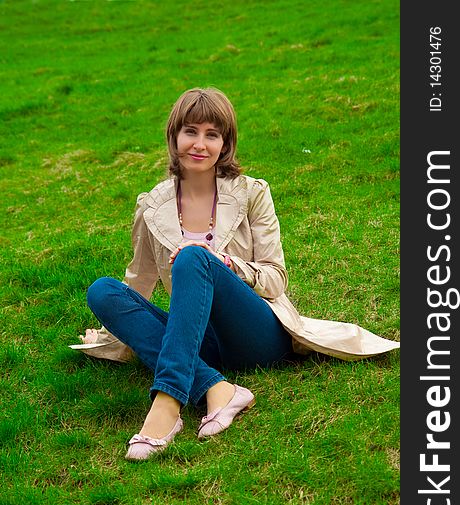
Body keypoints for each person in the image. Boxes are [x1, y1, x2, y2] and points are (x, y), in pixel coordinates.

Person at [72, 87, 399, 461]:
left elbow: (276, 279)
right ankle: (218, 389)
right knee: (102, 291)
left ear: (225, 144)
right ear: (173, 136)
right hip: (200, 339)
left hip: (257, 333)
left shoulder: (252, 193)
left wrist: (226, 263)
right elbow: (139, 287)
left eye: (212, 135)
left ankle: (166, 406)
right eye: (190, 131)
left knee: (194, 259)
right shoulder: (152, 206)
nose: (200, 144)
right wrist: (109, 335)